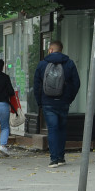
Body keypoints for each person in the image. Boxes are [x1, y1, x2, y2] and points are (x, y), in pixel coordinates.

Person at [34, 40, 80, 168]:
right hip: (63, 102)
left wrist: (40, 102)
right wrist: (69, 98)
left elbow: (36, 85)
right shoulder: (69, 63)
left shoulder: (42, 64)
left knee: (52, 129)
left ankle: (53, 159)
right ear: (61, 49)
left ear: (50, 50)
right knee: (62, 129)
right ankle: (61, 157)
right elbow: (76, 83)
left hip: (47, 102)